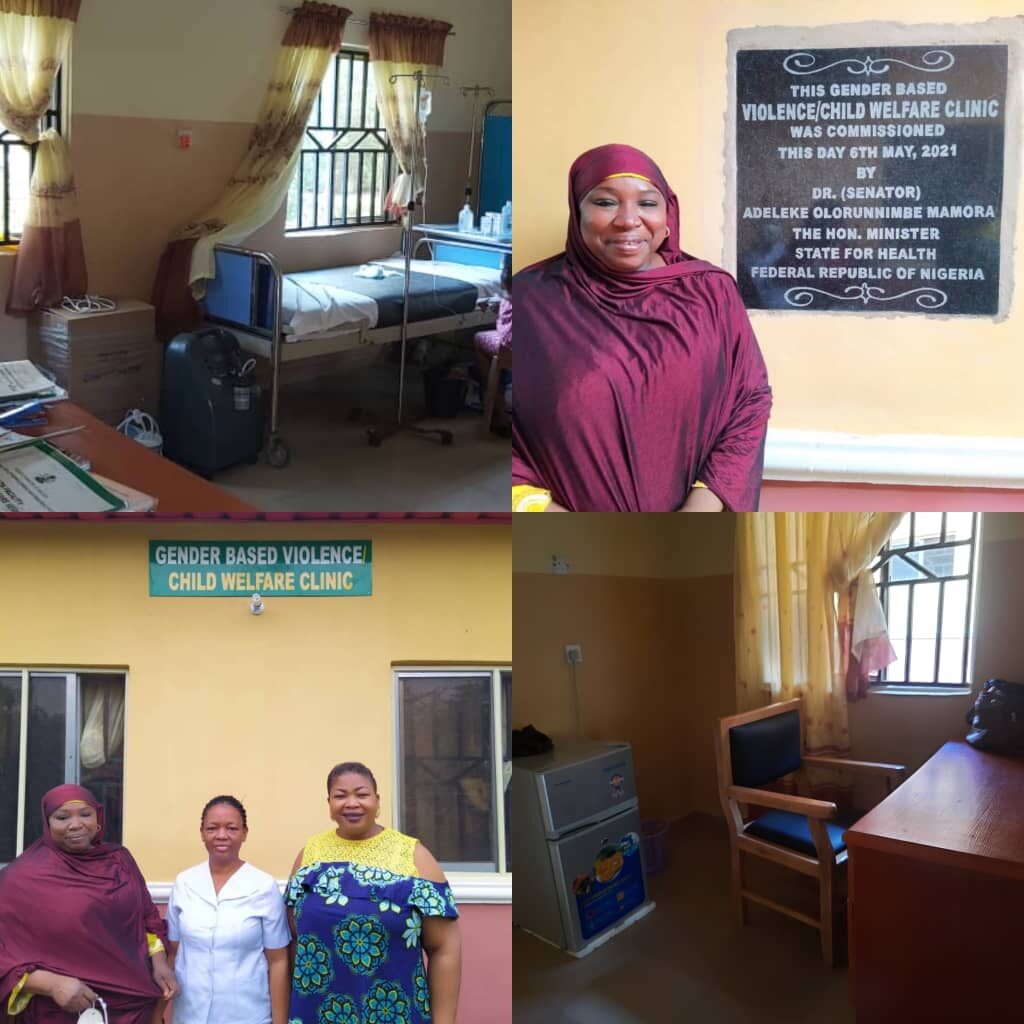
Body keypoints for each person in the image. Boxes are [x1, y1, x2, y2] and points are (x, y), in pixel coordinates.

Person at [512, 143, 773, 511]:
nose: (628, 220)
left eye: (648, 203)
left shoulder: (711, 293)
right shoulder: (530, 299)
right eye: (605, 202)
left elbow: (749, 401)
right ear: (576, 211)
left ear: (668, 215)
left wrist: (699, 511)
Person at [285, 762, 461, 1024]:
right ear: (329, 802)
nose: (351, 803)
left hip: (393, 1013)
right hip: (318, 1014)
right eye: (340, 795)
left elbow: (444, 948)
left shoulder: (413, 857)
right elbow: (295, 938)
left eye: (362, 794)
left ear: (377, 801)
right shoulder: (310, 855)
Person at [0, 784, 178, 1023]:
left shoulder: (119, 861)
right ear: (47, 822)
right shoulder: (20, 878)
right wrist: (52, 985)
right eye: (62, 817)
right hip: (60, 1011)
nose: (76, 824)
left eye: (85, 814)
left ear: (98, 818)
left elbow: (146, 918)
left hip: (133, 1006)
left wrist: (159, 963)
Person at [166, 796, 290, 1024]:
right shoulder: (184, 882)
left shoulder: (263, 886)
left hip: (247, 1015)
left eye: (231, 828)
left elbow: (278, 960)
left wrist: (280, 1021)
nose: (221, 835)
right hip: (189, 1014)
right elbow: (173, 953)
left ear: (244, 833)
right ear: (202, 832)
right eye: (212, 828)